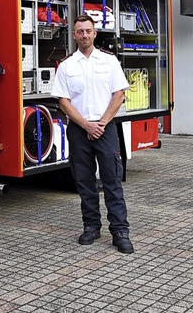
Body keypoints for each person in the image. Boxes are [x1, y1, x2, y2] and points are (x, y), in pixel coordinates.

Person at [51, 14, 134, 254]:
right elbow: (64, 102)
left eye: (89, 31)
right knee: (84, 181)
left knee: (112, 181)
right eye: (80, 31)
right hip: (79, 129)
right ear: (74, 35)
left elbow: (119, 95)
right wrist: (87, 126)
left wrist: (101, 123)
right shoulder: (67, 65)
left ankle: (120, 231)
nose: (85, 35)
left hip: (105, 127)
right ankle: (91, 226)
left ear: (95, 33)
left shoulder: (109, 62)